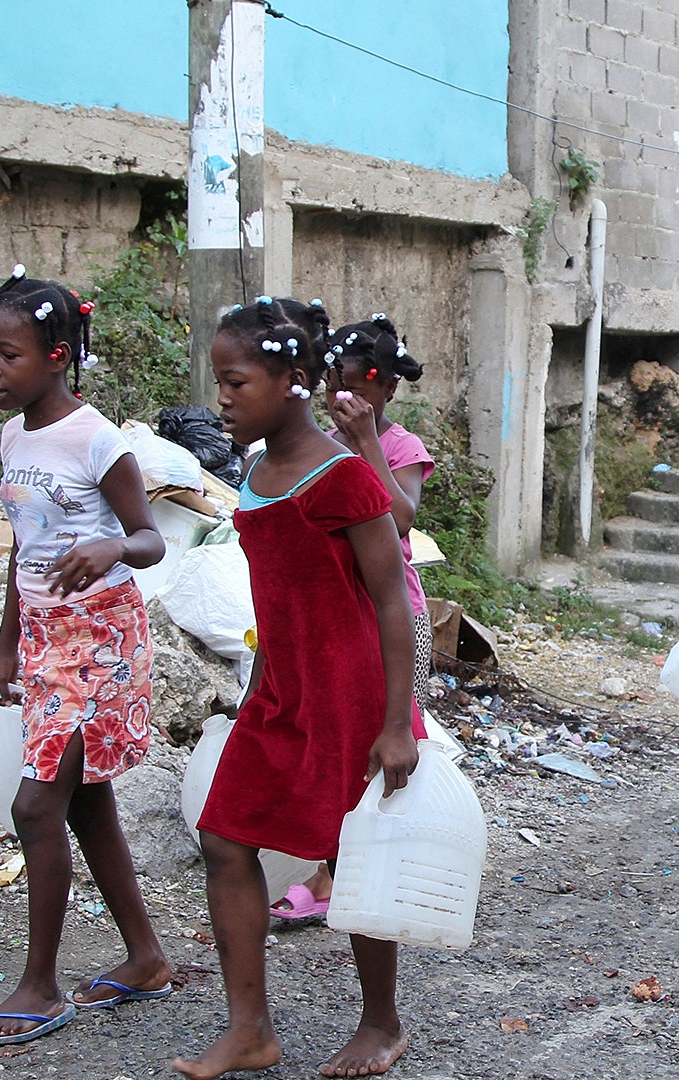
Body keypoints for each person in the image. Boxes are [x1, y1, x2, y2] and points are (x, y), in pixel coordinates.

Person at [177, 297, 421, 1079]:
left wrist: (395, 723)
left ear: (290, 381)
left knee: (350, 855)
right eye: (219, 380)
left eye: (235, 381)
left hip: (347, 695)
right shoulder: (253, 470)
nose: (222, 397)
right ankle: (250, 1029)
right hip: (278, 689)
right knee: (224, 836)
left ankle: (380, 1023)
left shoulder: (343, 476)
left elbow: (390, 600)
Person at [0, 265, 171, 1048]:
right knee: (83, 802)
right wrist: (7, 645)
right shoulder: (14, 433)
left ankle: (40, 985)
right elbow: (22, 544)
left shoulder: (97, 439)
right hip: (47, 641)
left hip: (103, 639)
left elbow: (149, 537)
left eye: (7, 355)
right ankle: (146, 956)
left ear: (56, 355)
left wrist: (110, 543)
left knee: (35, 805)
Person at [266, 312, 434, 924]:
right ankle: (334, 871)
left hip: (394, 614)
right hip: (337, 618)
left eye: (366, 381)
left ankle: (371, 871)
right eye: (340, 379)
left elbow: (401, 518)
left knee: (388, 742)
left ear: (388, 387)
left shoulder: (398, 446)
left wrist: (364, 442)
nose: (351, 393)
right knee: (338, 747)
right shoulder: (319, 447)